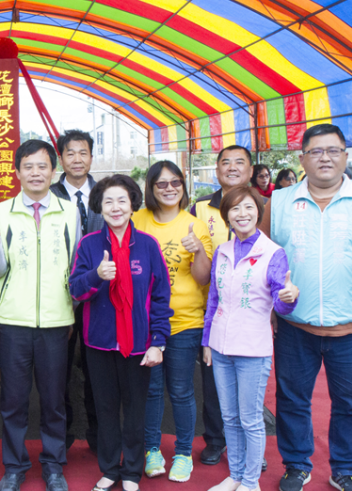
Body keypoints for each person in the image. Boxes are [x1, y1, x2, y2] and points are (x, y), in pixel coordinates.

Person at [258, 124, 352, 491]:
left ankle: (346, 468)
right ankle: (296, 465)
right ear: (303, 158)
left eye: (333, 150)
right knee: (292, 399)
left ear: (345, 156)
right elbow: (262, 250)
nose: (325, 158)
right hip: (295, 324)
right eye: (316, 151)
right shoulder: (280, 201)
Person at [0, 140, 81, 491]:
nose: (36, 173)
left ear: (53, 171)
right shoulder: (2, 210)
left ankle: (53, 465)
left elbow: (76, 263)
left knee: (54, 400)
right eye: (28, 166)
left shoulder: (69, 211)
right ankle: (14, 467)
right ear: (17, 172)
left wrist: (70, 311)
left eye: (42, 166)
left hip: (56, 322)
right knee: (13, 401)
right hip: (13, 320)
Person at [68, 174, 171, 491]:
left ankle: (131, 473)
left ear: (132, 205)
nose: (115, 207)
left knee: (136, 411)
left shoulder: (148, 245)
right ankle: (110, 469)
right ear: (100, 206)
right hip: (99, 344)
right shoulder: (89, 244)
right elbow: (75, 290)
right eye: (108, 201)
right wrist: (96, 276)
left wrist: (158, 341)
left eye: (122, 201)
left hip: (139, 345)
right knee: (106, 410)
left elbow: (160, 297)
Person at [203, 186, 298, 491]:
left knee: (250, 419)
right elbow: (213, 299)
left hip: (253, 349)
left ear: (259, 212)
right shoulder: (223, 251)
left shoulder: (273, 253)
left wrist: (289, 298)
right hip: (220, 346)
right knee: (229, 417)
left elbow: (281, 303)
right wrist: (207, 341)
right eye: (234, 209)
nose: (242, 214)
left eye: (248, 207)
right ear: (226, 216)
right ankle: (235, 475)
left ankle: (250, 481)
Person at [135, 161, 212, 482]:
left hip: (185, 322)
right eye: (162, 183)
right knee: (151, 390)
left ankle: (183, 453)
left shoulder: (196, 225)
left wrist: (199, 251)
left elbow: (203, 278)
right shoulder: (137, 220)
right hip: (146, 323)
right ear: (151, 188)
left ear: (183, 185)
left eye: (175, 182)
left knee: (181, 390)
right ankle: (151, 449)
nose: (169, 188)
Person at [192, 144, 257, 467]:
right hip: (212, 308)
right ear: (217, 170)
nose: (232, 167)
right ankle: (216, 440)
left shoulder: (263, 205)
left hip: (252, 310)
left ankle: (251, 445)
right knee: (213, 381)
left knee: (250, 383)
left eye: (239, 162)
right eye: (225, 162)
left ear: (251, 170)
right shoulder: (200, 207)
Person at [49, 129, 104, 452]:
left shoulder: (106, 193)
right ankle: (62, 436)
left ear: (91, 157)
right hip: (60, 296)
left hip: (100, 295)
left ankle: (99, 436)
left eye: (83, 153)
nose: (77, 159)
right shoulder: (49, 195)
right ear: (61, 159)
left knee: (98, 367)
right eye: (70, 153)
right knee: (60, 369)